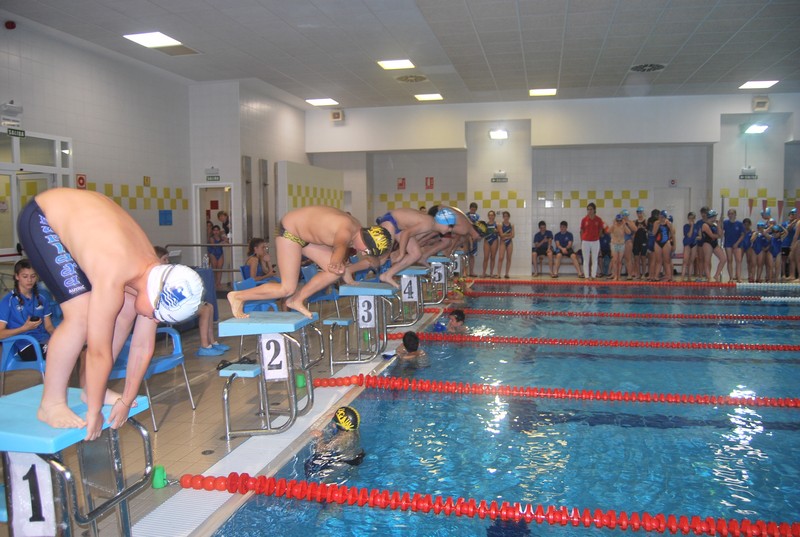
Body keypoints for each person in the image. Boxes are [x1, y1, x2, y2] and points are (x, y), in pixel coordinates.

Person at [17, 188, 204, 440]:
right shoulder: (115, 271)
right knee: (80, 314)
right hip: (43, 217)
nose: (156, 320)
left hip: (84, 218)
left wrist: (126, 399)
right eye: (159, 314)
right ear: (155, 294)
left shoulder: (153, 275)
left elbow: (142, 346)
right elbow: (98, 351)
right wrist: (94, 411)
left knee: (127, 308)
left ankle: (91, 389)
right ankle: (50, 403)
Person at [227, 206, 392, 319]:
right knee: (287, 287)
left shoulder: (357, 228)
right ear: (367, 239)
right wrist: (335, 260)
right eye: (367, 251)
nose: (363, 253)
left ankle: (296, 300)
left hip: (304, 236)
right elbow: (340, 245)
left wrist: (346, 275)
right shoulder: (347, 229)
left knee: (337, 271)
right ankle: (238, 296)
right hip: (290, 232)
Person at [155, 246, 229, 357]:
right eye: (164, 259)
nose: (168, 262)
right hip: (167, 308)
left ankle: (212, 342)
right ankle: (205, 346)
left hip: (176, 303)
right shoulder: (156, 276)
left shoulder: (167, 273)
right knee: (204, 310)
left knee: (209, 306)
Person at [373, 208, 455, 288]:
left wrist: (401, 251)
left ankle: (387, 275)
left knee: (416, 254)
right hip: (390, 220)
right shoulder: (428, 223)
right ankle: (364, 268)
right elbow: (406, 233)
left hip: (400, 227)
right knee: (383, 259)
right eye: (449, 226)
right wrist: (401, 253)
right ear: (442, 222)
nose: (450, 230)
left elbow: (413, 236)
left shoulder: (431, 225)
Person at [0, 258, 55, 360]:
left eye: (33, 276)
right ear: (17, 277)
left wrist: (60, 337)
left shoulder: (42, 299)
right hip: (24, 345)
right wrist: (23, 328)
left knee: (77, 348)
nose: (29, 280)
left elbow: (49, 327)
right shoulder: (7, 301)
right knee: (61, 352)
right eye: (25, 276)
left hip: (43, 341)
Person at [305, 406, 365, 482]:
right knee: (353, 475)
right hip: (358, 456)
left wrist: (320, 437)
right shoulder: (354, 429)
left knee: (325, 482)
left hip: (344, 463)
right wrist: (336, 416)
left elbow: (321, 450)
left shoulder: (339, 439)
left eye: (334, 421)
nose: (332, 423)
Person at [700, 209, 727, 282]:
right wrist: (718, 235)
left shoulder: (715, 225)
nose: (716, 218)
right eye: (715, 216)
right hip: (707, 243)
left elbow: (721, 235)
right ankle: (709, 277)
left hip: (714, 243)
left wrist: (718, 226)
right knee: (707, 261)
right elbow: (711, 235)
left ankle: (716, 275)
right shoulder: (705, 225)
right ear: (711, 217)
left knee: (723, 259)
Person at [580, 203, 604, 280]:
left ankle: (593, 276)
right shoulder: (584, 220)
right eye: (588, 209)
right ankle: (587, 276)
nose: (589, 211)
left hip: (595, 241)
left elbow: (600, 230)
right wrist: (582, 240)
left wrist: (596, 237)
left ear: (594, 210)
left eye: (591, 209)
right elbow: (581, 231)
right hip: (585, 241)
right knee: (586, 259)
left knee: (594, 259)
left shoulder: (599, 219)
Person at [722, 209, 745, 282]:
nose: (730, 215)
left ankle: (738, 277)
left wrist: (737, 243)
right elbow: (719, 229)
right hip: (728, 243)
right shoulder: (725, 223)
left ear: (735, 214)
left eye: (732, 213)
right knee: (729, 260)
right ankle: (731, 277)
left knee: (738, 260)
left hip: (737, 244)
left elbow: (742, 235)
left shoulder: (739, 224)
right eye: (729, 214)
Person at [652, 210, 674, 281]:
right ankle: (656, 276)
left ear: (665, 217)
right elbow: (654, 233)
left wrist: (670, 226)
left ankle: (669, 276)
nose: (660, 218)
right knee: (658, 261)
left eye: (662, 217)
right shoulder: (656, 223)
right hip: (658, 243)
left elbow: (673, 233)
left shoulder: (668, 223)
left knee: (666, 261)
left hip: (666, 243)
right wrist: (657, 225)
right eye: (659, 217)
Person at [207, 224, 228, 290]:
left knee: (219, 268)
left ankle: (218, 283)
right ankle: (214, 283)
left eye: (217, 230)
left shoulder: (221, 237)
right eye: (214, 230)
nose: (216, 232)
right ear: (212, 231)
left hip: (220, 253)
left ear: (219, 231)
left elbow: (227, 243)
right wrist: (222, 243)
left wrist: (225, 239)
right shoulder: (211, 238)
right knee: (214, 268)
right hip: (213, 253)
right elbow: (213, 245)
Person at [681, 212, 701, 281]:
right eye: (690, 218)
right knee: (685, 261)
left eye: (692, 218)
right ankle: (682, 277)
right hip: (687, 244)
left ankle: (689, 277)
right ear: (688, 219)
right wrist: (692, 226)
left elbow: (700, 236)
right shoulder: (686, 226)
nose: (691, 220)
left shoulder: (697, 226)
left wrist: (696, 237)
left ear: (694, 218)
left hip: (694, 244)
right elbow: (689, 235)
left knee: (692, 261)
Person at [631, 207, 648, 279]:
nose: (639, 214)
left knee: (643, 258)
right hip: (636, 241)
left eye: (640, 213)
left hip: (644, 241)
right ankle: (638, 274)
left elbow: (649, 232)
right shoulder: (634, 222)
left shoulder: (646, 221)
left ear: (643, 213)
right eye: (638, 213)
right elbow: (632, 233)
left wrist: (644, 228)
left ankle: (643, 274)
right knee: (636, 258)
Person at [497, 211, 515, 279]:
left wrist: (506, 236)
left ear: (509, 217)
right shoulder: (500, 224)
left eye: (507, 216)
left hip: (509, 242)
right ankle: (498, 274)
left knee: (509, 258)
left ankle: (507, 273)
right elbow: (501, 235)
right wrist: (508, 234)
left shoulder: (511, 225)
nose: (506, 218)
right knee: (501, 257)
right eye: (504, 216)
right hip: (502, 242)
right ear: (503, 217)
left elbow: (513, 235)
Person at [482, 210, 500, 278]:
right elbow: (483, 234)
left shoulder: (497, 224)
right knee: (486, 257)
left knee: (492, 257)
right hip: (487, 241)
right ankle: (484, 273)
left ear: (494, 216)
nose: (491, 216)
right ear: (488, 216)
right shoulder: (485, 225)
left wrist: (497, 231)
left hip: (494, 240)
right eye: (489, 215)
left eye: (492, 215)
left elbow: (500, 234)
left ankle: (491, 273)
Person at [609, 215, 626, 281]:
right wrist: (613, 224)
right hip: (614, 244)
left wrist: (624, 225)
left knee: (620, 261)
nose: (619, 222)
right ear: (616, 220)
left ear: (622, 221)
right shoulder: (614, 226)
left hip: (621, 244)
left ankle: (619, 276)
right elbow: (608, 231)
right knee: (615, 260)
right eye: (618, 220)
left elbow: (629, 232)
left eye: (620, 220)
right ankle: (615, 276)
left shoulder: (623, 226)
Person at [465, 202, 481, 277]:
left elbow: (478, 227)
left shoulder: (477, 216)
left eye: (474, 209)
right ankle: (465, 272)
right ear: (470, 208)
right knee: (465, 255)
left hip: (474, 238)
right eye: (472, 209)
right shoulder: (466, 216)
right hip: (467, 238)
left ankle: (471, 271)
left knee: (472, 255)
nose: (473, 210)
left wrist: (478, 236)